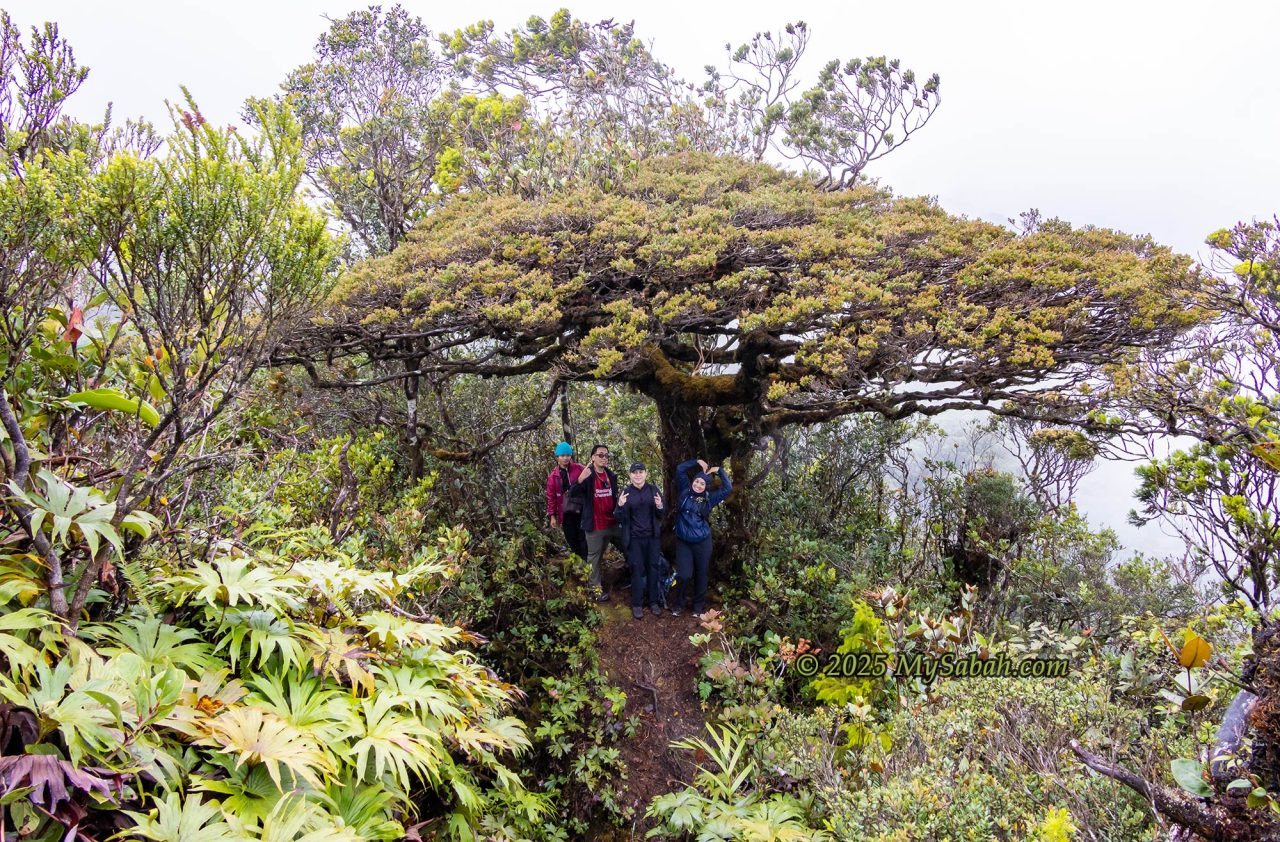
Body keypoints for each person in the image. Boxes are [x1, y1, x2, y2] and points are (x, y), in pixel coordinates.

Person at [671, 458, 732, 617]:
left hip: (702, 542)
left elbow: (728, 488)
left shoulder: (709, 499)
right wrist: (697, 462)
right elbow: (680, 469)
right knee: (684, 575)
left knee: (702, 574)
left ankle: (698, 607)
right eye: (697, 481)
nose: (698, 485)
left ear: (706, 486)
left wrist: (719, 471)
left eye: (702, 483)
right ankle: (679, 604)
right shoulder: (684, 490)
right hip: (683, 541)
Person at [569, 443, 621, 602]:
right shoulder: (588, 475)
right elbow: (572, 494)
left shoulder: (611, 475)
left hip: (612, 523)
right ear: (593, 457)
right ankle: (595, 592)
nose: (604, 458)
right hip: (595, 525)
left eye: (606, 455)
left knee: (629, 544)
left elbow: (614, 497)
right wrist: (579, 480)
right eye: (600, 455)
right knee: (594, 558)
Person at [614, 462, 664, 620]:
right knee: (636, 570)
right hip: (634, 539)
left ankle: (653, 601)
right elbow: (617, 516)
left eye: (640, 472)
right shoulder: (626, 492)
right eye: (634, 472)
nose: (638, 475)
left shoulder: (653, 489)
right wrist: (620, 505)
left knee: (653, 568)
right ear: (630, 475)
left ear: (646, 473)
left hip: (652, 538)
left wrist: (660, 506)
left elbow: (661, 513)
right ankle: (637, 604)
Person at [546, 442, 587, 561]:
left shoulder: (579, 468)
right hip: (566, 513)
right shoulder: (553, 476)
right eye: (562, 455)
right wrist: (552, 516)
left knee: (584, 538)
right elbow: (551, 497)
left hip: (582, 510)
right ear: (557, 457)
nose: (565, 458)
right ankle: (581, 563)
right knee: (571, 539)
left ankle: (588, 565)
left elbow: (591, 479)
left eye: (568, 455)